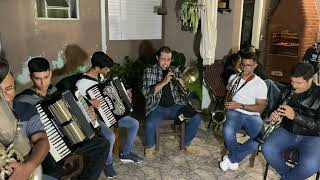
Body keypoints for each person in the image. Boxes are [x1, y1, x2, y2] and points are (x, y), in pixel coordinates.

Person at [14, 57, 109, 180]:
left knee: (103, 144)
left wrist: (87, 113)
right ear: (31, 77)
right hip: (47, 147)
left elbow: (73, 113)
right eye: (38, 79)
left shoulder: (54, 91)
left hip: (69, 139)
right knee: (52, 165)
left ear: (51, 73)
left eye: (46, 77)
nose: (43, 83)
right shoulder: (23, 101)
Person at [75, 51, 143, 178]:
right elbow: (75, 105)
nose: (108, 71)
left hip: (108, 114)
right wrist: (89, 102)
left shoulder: (100, 77)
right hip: (94, 118)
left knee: (134, 123)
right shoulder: (81, 84)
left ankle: (126, 153)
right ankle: (107, 164)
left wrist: (125, 95)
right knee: (110, 136)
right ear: (97, 68)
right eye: (106, 69)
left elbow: (109, 96)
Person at [262, 62, 320, 180]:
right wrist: (272, 116)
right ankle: (289, 176)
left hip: (313, 136)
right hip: (287, 131)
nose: (294, 86)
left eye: (299, 83)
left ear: (310, 80)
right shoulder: (287, 90)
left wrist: (295, 116)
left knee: (311, 165)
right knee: (267, 149)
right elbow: (273, 110)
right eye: (292, 81)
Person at [142, 46, 201, 156]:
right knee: (149, 123)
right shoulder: (149, 71)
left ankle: (186, 143)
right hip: (157, 107)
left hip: (176, 107)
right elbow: (146, 93)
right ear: (157, 58)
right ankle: (150, 146)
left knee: (195, 117)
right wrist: (163, 82)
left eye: (168, 60)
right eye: (163, 59)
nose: (166, 63)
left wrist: (183, 86)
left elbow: (185, 94)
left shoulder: (176, 71)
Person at [0, 60, 49, 180]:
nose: (3, 96)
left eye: (8, 89)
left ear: (15, 88)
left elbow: (42, 141)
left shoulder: (27, 109)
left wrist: (27, 168)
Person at [219, 51, 267, 171]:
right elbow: (228, 94)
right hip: (234, 112)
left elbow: (260, 107)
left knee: (261, 137)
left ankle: (232, 158)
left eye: (249, 65)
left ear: (255, 65)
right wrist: (227, 104)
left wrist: (240, 105)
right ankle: (234, 158)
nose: (245, 68)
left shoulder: (260, 84)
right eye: (243, 64)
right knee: (227, 130)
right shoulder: (233, 77)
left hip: (252, 114)